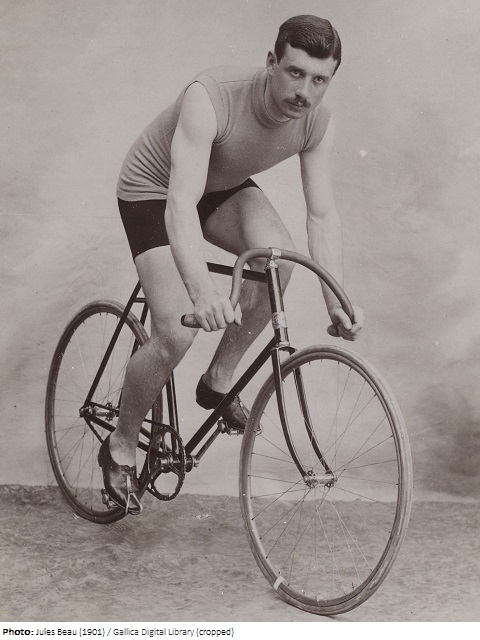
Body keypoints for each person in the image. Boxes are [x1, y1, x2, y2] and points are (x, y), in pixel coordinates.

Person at [98, 14, 365, 514]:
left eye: (319, 79)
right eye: (295, 72)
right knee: (176, 333)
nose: (304, 91)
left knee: (278, 263)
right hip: (155, 191)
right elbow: (180, 205)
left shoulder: (317, 122)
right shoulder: (212, 96)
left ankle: (217, 383)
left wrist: (337, 301)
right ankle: (121, 444)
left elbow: (322, 215)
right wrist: (202, 293)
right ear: (271, 62)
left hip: (217, 186)